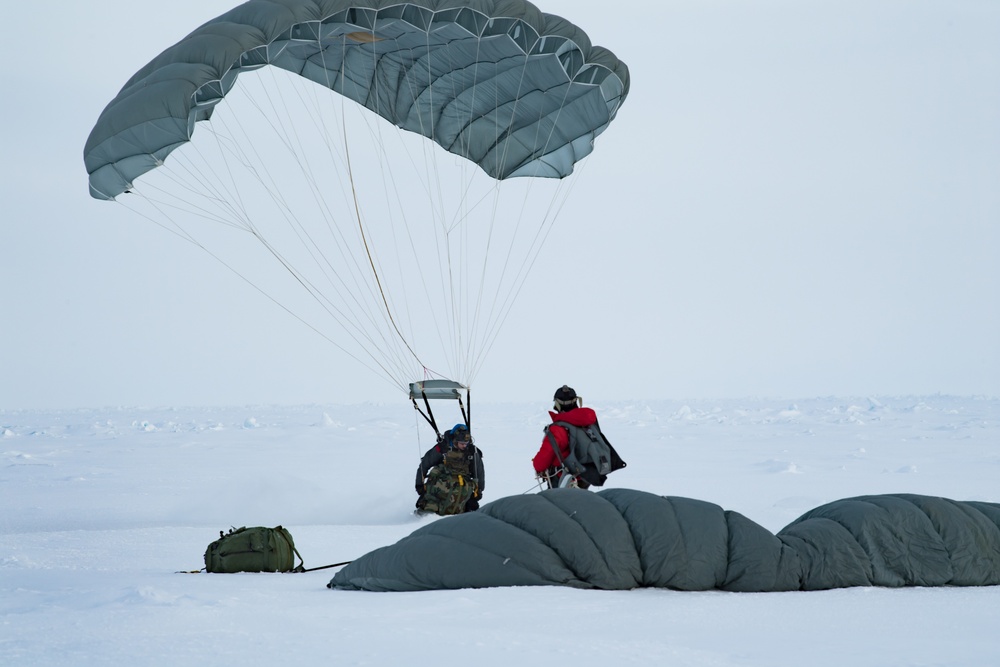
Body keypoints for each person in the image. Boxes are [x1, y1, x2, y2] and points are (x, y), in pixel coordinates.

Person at [532, 385, 624, 489]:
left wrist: (537, 465)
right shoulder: (590, 422)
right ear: (576, 401)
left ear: (557, 404)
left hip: (564, 479)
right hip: (586, 476)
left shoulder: (557, 429)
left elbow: (542, 461)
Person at [415, 424, 485, 515]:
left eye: (466, 443)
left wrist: (477, 493)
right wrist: (419, 485)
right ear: (455, 441)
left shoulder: (472, 452)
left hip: (461, 493)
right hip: (439, 491)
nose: (464, 446)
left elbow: (479, 473)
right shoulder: (442, 448)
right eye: (462, 444)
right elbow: (424, 465)